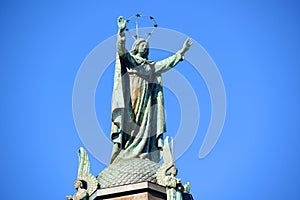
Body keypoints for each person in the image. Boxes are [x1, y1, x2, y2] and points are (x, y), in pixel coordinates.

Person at [110, 16, 192, 164]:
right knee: (130, 122)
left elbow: (166, 64)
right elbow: (121, 50)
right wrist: (121, 32)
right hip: (132, 96)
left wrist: (181, 52)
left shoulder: (151, 66)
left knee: (146, 124)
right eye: (142, 44)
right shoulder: (130, 60)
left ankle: (142, 151)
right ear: (136, 47)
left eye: (146, 46)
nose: (144, 47)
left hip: (146, 98)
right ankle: (128, 149)